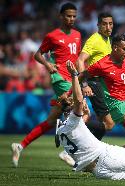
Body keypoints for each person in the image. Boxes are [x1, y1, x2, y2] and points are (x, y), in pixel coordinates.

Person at [11, 2, 80, 168]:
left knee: (50, 120)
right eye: (68, 16)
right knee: (80, 109)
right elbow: (38, 54)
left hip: (71, 78)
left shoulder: (77, 35)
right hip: (59, 78)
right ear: (61, 16)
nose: (71, 19)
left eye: (74, 16)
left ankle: (19, 146)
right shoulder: (53, 36)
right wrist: (48, 65)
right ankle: (66, 145)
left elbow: (76, 59)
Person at [75, 12, 115, 141]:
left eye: (110, 24)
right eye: (104, 24)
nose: (108, 27)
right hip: (94, 82)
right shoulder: (94, 39)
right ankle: (69, 126)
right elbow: (80, 61)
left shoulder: (107, 39)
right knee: (109, 124)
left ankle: (84, 151)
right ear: (98, 25)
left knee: (99, 123)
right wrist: (85, 84)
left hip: (102, 84)